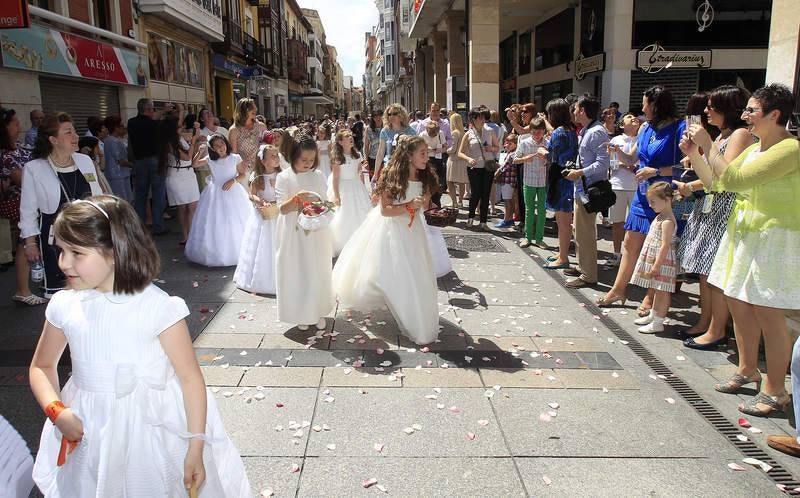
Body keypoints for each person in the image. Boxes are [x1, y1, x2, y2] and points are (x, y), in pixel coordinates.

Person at [28, 196, 251, 496]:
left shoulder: (157, 307)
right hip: (88, 425)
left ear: (114, 251)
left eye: (76, 252)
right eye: (61, 250)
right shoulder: (64, 305)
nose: (63, 263)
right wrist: (57, 411)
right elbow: (42, 366)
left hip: (152, 428)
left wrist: (195, 445)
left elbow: (190, 378)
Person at [683, 83, 799, 417]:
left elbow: (735, 181)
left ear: (774, 115)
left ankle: (775, 390)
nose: (745, 116)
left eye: (751, 110)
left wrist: (709, 146)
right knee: (737, 302)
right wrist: (696, 154)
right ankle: (747, 368)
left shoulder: (789, 149)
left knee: (768, 314)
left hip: (773, 238)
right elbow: (716, 184)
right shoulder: (756, 148)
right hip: (744, 234)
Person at [333, 135, 439, 344]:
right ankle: (398, 301)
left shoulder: (425, 177)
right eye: (423, 153)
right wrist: (408, 206)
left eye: (427, 153)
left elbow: (425, 205)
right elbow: (385, 210)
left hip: (414, 231)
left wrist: (429, 205)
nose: (427, 157)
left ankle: (413, 309)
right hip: (392, 230)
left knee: (414, 272)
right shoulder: (393, 177)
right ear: (409, 155)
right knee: (392, 270)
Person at [675, 85, 752, 350]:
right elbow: (709, 181)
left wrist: (705, 145)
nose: (706, 111)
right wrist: (692, 154)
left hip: (725, 209)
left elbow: (723, 178)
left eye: (711, 106)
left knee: (714, 273)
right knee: (705, 271)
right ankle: (706, 322)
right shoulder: (720, 136)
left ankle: (717, 329)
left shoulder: (740, 134)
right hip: (711, 207)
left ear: (726, 108)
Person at [596, 86, 684, 313]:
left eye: (645, 104)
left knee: (658, 247)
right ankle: (618, 289)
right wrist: (615, 150)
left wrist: (656, 171)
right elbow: (631, 158)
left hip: (665, 196)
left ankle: (650, 296)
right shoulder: (645, 128)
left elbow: (686, 166)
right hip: (643, 194)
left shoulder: (679, 128)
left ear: (656, 105)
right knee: (630, 243)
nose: (642, 109)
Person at [20, 113, 106, 298]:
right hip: (55, 243)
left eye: (74, 131)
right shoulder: (35, 168)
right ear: (53, 140)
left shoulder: (85, 161)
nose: (75, 136)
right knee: (61, 296)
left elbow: (98, 198)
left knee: (92, 292)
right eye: (68, 132)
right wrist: (30, 244)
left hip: (88, 237)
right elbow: (28, 211)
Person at [275, 133, 334, 331]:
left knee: (317, 269)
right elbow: (281, 208)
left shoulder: (318, 175)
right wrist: (296, 200)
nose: (308, 164)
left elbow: (325, 201)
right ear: (293, 156)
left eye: (311, 160)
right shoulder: (284, 177)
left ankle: (317, 310)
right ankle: (301, 312)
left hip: (316, 230)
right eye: (304, 160)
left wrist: (321, 206)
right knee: (299, 270)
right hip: (294, 232)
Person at [561, 95, 609, 288]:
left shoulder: (596, 132)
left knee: (585, 232)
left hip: (589, 189)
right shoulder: (587, 130)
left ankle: (588, 275)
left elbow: (602, 163)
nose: (573, 112)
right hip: (581, 188)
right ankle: (583, 266)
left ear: (582, 110)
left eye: (575, 109)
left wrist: (579, 172)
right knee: (579, 231)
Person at [184, 135, 251, 267]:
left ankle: (237, 251)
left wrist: (233, 180)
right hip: (214, 193)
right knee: (215, 221)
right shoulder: (210, 159)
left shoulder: (234, 158)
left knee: (234, 219)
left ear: (226, 143)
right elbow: (195, 164)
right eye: (217, 146)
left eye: (222, 143)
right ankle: (215, 252)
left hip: (232, 190)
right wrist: (199, 152)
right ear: (213, 149)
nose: (221, 147)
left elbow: (242, 174)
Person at [1, 107, 45, 305]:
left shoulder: (18, 147)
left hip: (27, 200)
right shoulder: (5, 154)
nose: (19, 127)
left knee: (26, 242)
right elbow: (22, 179)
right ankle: (23, 290)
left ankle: (25, 288)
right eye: (15, 124)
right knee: (25, 242)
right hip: (18, 202)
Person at [629, 182, 677, 333]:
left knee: (662, 291)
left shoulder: (667, 221)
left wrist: (656, 265)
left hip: (662, 261)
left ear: (667, 200)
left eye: (653, 202)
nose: (650, 205)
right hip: (657, 258)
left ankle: (658, 321)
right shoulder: (661, 216)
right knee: (657, 289)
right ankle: (654, 315)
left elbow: (665, 245)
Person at [234, 144, 280, 294]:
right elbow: (251, 194)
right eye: (272, 156)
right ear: (263, 161)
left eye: (277, 155)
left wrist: (278, 187)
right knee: (264, 246)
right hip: (264, 214)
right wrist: (260, 201)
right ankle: (262, 277)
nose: (276, 158)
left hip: (279, 213)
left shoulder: (282, 175)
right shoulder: (258, 177)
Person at [542, 99, 579, 270]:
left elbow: (555, 157)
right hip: (568, 177)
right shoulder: (571, 130)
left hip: (560, 178)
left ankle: (563, 257)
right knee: (564, 220)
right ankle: (561, 253)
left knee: (562, 221)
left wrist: (543, 152)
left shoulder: (559, 132)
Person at [605, 113, 641, 268]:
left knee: (635, 224)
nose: (634, 118)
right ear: (621, 125)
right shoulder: (616, 140)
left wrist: (625, 164)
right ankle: (616, 254)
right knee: (617, 223)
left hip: (637, 186)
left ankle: (633, 256)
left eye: (635, 117)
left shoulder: (642, 138)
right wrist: (629, 165)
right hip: (618, 185)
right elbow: (613, 164)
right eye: (629, 117)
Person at [128, 98, 167, 235]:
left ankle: (139, 227)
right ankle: (158, 226)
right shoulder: (155, 124)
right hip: (155, 160)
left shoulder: (131, 122)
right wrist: (164, 112)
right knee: (158, 194)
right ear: (149, 109)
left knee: (140, 195)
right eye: (152, 109)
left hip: (139, 162)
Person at [328, 129, 371, 256]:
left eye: (351, 135)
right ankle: (344, 242)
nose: (350, 137)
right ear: (340, 142)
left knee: (361, 212)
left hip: (356, 186)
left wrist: (364, 189)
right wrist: (336, 195)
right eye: (347, 136)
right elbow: (335, 178)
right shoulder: (338, 158)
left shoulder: (357, 155)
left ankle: (361, 241)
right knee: (345, 214)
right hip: (344, 187)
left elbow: (359, 173)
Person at [161, 117, 202, 245]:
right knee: (183, 208)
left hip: (188, 174)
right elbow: (187, 157)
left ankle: (191, 236)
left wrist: (196, 132)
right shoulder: (169, 143)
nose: (182, 128)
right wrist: (194, 141)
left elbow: (192, 150)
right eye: (179, 127)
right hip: (177, 176)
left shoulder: (180, 138)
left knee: (192, 207)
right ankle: (186, 237)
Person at [457, 107, 500, 230]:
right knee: (475, 193)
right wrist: (468, 159)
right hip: (474, 167)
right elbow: (460, 152)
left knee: (486, 194)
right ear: (473, 119)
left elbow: (498, 147)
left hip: (488, 166)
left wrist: (491, 148)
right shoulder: (468, 133)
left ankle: (483, 222)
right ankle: (470, 218)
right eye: (480, 117)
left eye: (483, 117)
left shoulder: (490, 131)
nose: (483, 119)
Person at [514, 117, 549, 248]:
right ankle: (528, 237)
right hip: (529, 180)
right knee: (529, 210)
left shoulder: (548, 143)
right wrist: (525, 158)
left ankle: (539, 239)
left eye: (539, 132)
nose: (536, 135)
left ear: (544, 131)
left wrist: (547, 158)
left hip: (543, 181)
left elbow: (553, 161)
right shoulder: (525, 142)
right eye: (534, 132)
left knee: (542, 211)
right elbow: (515, 159)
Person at [228, 98, 266, 189]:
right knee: (248, 195)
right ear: (243, 110)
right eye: (251, 108)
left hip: (262, 168)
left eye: (255, 107)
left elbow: (267, 147)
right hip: (245, 171)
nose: (255, 109)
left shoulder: (261, 126)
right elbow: (233, 154)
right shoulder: (234, 130)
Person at [373, 104, 417, 180]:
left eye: (394, 114)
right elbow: (380, 153)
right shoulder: (385, 131)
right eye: (389, 114)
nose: (391, 116)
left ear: (401, 115)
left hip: (406, 168)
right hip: (390, 168)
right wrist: (376, 172)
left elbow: (415, 151)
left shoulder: (410, 131)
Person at [102, 116, 133, 203]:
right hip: (118, 176)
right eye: (122, 126)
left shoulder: (108, 140)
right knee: (123, 201)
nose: (124, 128)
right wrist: (133, 165)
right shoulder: (114, 141)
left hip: (117, 175)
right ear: (116, 128)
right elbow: (120, 160)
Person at [493, 134, 518, 228]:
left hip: (508, 182)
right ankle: (508, 219)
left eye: (510, 143)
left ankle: (507, 220)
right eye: (506, 143)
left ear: (516, 145)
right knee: (508, 201)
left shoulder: (512, 155)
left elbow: (503, 168)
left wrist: (495, 175)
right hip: (508, 181)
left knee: (507, 202)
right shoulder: (509, 154)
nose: (506, 145)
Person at [446, 112, 469, 207]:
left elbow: (453, 148)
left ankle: (454, 202)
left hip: (453, 160)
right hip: (462, 160)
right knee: (461, 182)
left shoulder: (455, 133)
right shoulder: (464, 133)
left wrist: (446, 150)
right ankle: (460, 201)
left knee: (449, 181)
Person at [421, 120, 447, 205]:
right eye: (431, 133)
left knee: (439, 183)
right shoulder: (422, 135)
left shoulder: (440, 134)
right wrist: (427, 150)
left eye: (434, 134)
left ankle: (437, 202)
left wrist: (440, 150)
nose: (433, 136)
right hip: (427, 160)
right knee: (428, 183)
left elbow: (445, 147)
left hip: (438, 159)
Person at [363, 111, 383, 179]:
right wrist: (366, 160)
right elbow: (366, 146)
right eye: (375, 116)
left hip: (385, 159)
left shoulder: (387, 128)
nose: (378, 118)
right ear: (372, 118)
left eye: (380, 115)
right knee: (374, 180)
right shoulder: (369, 129)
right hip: (373, 159)